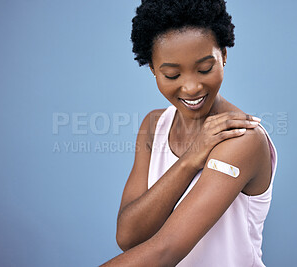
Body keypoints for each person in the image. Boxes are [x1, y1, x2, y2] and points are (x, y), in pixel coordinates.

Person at [100, 0, 278, 266]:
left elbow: (166, 250)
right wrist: (191, 158)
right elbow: (129, 236)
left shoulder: (242, 139)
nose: (192, 87)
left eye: (205, 68)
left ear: (224, 55)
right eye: (172, 75)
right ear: (152, 69)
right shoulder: (154, 126)